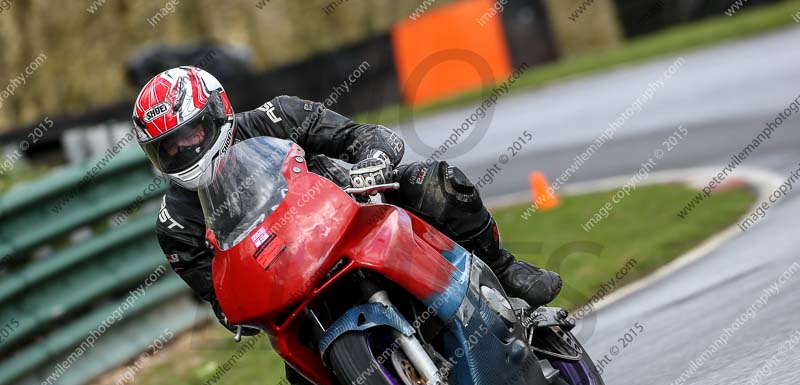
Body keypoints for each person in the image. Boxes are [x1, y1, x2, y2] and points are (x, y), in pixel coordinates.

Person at [132, 66, 562, 337]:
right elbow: (221, 299)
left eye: (191, 133)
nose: (183, 150)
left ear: (217, 113)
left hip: (354, 216)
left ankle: (504, 271)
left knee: (430, 183)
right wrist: (237, 311)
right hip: (289, 281)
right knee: (292, 357)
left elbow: (363, 136)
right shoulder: (175, 225)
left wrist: (372, 161)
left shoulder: (276, 117)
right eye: (167, 147)